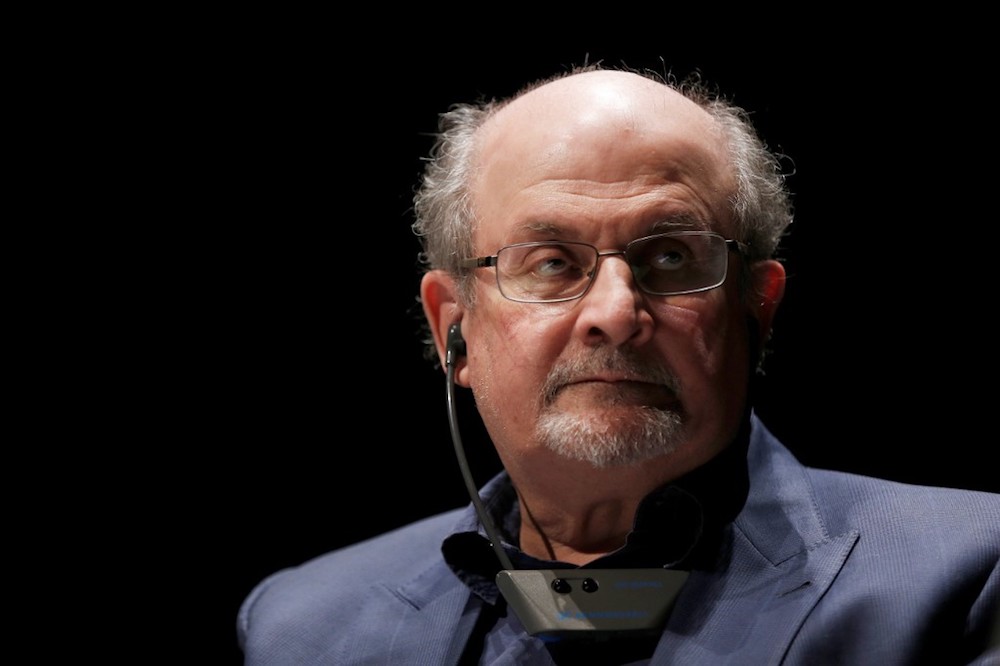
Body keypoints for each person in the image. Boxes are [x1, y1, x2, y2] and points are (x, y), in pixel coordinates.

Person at [236, 64, 1000, 664]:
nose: (613, 311)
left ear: (757, 309)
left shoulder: (966, 575)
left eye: (671, 256)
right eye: (551, 262)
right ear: (453, 329)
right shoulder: (302, 626)